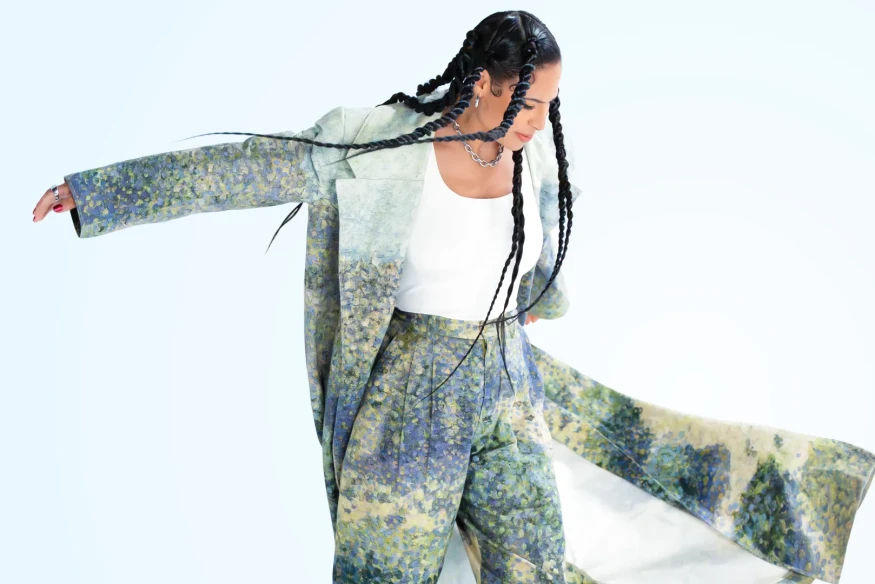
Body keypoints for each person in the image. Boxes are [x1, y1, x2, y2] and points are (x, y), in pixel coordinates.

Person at [31, 10, 874, 584]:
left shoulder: (533, 155)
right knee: (387, 570)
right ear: (482, 83)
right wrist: (99, 193)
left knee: (534, 560)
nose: (541, 119)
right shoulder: (375, 147)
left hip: (507, 383)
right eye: (530, 101)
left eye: (550, 104)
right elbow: (248, 168)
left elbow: (542, 244)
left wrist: (538, 296)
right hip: (409, 392)